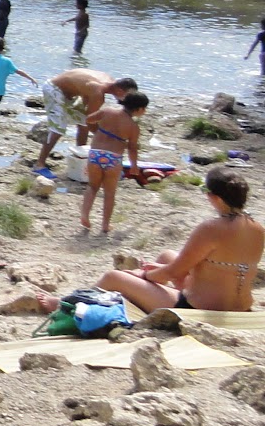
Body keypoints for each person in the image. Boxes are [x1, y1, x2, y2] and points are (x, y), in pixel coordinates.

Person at [93, 167, 262, 312]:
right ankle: (154, 295)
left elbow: (174, 272)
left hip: (201, 309)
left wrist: (144, 275)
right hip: (241, 306)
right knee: (167, 255)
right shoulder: (258, 228)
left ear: (214, 197)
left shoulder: (211, 228)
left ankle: (74, 307)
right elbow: (217, 266)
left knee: (112, 277)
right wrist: (162, 269)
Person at [34, 70, 140, 173]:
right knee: (58, 128)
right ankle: (39, 164)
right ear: (120, 91)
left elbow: (85, 91)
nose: (126, 101)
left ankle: (81, 158)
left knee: (83, 124)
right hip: (54, 89)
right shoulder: (98, 92)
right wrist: (111, 138)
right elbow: (91, 121)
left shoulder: (109, 80)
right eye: (127, 96)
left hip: (70, 92)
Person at [79, 90, 149, 235]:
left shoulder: (107, 111)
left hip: (95, 154)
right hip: (113, 158)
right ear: (139, 109)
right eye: (144, 109)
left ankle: (85, 215)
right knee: (110, 193)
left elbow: (89, 119)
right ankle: (105, 224)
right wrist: (134, 165)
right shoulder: (133, 127)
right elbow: (132, 148)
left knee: (92, 187)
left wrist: (99, 130)